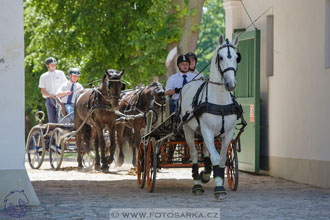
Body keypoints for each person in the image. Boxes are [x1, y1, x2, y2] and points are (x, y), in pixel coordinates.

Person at [39, 57, 68, 123]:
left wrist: (63, 94)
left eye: (55, 64)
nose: (54, 66)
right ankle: (53, 132)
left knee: (63, 119)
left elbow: (66, 85)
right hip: (50, 100)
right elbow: (43, 91)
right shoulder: (43, 76)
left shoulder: (60, 73)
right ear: (47, 65)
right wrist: (49, 95)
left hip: (61, 99)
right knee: (52, 120)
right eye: (52, 65)